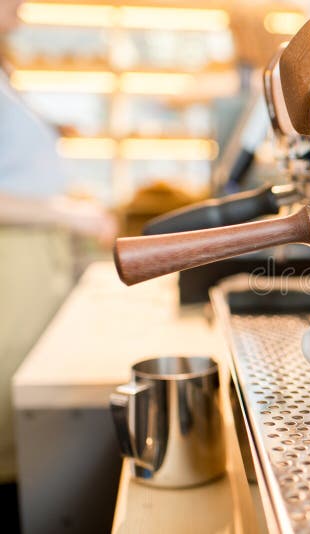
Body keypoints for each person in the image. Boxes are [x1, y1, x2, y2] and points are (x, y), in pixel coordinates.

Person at [0, 0, 116, 489]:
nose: (21, 9)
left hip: (30, 261)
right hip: (12, 269)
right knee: (14, 408)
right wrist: (64, 212)